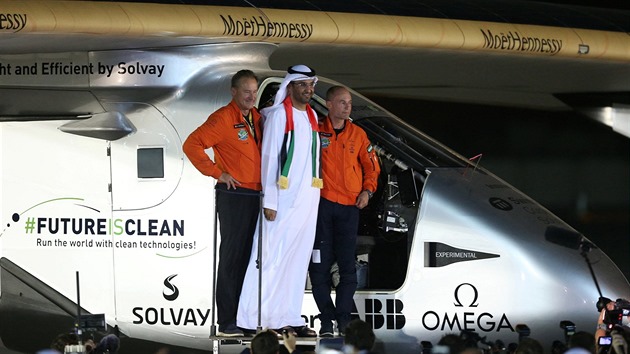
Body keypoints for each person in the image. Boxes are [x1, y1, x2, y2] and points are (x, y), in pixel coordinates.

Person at [237, 64, 321, 337]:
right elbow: (270, 158)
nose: (309, 90)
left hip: (307, 199)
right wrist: (270, 201)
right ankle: (255, 318)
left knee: (297, 260)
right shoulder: (278, 117)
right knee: (270, 258)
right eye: (303, 85)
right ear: (292, 86)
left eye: (311, 85)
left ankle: (288, 316)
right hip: (281, 200)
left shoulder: (311, 116)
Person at [183, 69, 262, 337]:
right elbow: (192, 145)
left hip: (257, 195)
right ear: (234, 92)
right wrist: (218, 173)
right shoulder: (223, 118)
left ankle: (243, 317)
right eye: (246, 91)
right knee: (232, 258)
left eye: (254, 91)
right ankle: (228, 320)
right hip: (235, 195)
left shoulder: (256, 118)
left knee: (249, 260)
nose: (251, 96)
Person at [309, 86, 380, 337]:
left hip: (349, 209)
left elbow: (372, 167)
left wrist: (367, 192)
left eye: (349, 102)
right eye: (341, 102)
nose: (347, 107)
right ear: (328, 104)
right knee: (319, 267)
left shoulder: (358, 135)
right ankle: (326, 321)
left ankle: (343, 319)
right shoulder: (315, 130)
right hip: (322, 208)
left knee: (347, 268)